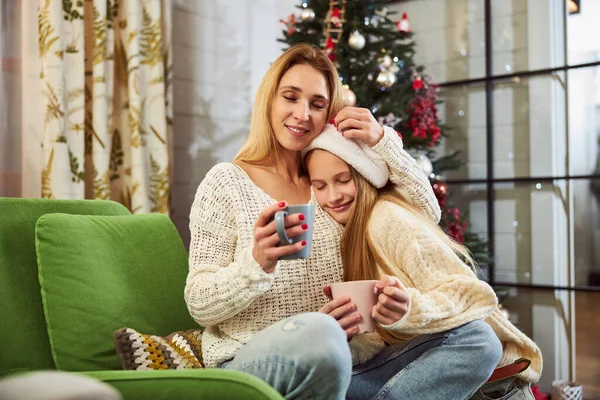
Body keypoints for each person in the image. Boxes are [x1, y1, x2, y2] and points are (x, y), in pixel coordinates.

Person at [185, 43, 501, 399]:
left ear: (328, 113)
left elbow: (424, 213)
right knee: (318, 337)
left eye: (317, 104)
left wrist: (383, 143)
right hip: (252, 364)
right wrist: (255, 263)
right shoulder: (226, 182)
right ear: (269, 101)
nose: (302, 114)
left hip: (346, 362)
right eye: (290, 97)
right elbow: (198, 304)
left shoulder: (329, 181)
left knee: (479, 340)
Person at [302, 123, 543, 399]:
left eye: (343, 180)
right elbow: (376, 345)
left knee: (482, 340)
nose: (333, 196)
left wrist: (410, 309)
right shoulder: (339, 232)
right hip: (390, 371)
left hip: (439, 358)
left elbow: (474, 295)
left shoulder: (387, 219)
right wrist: (341, 336)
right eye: (320, 186)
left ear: (364, 175)